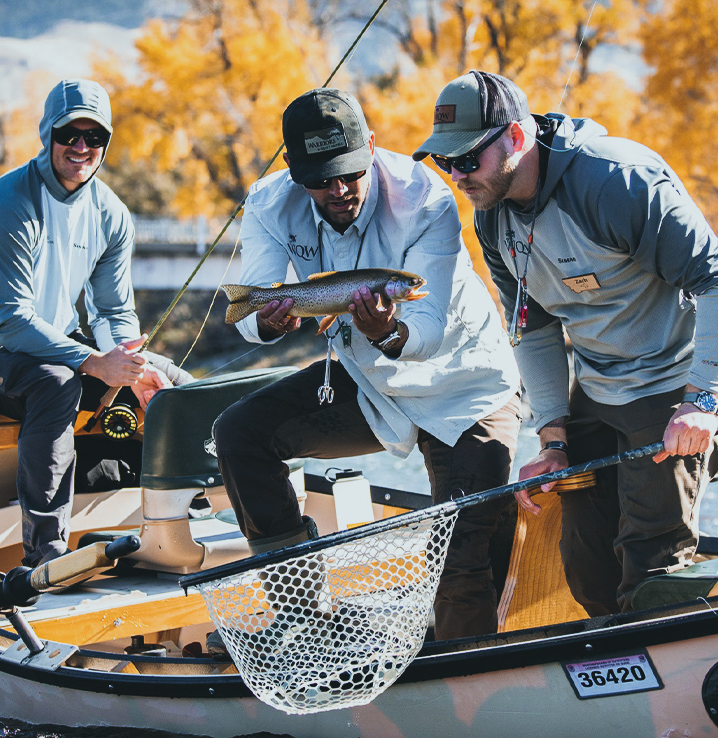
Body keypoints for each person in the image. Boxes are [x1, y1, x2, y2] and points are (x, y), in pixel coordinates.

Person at [414, 71, 718, 615]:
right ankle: (610, 673)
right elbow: (533, 327)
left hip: (679, 374)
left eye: (468, 158)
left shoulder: (615, 180)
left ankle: (660, 673)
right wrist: (552, 437)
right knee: (586, 563)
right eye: (444, 161)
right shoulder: (490, 216)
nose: (457, 174)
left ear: (517, 138)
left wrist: (704, 402)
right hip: (599, 382)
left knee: (650, 559)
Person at [213, 88, 521, 640]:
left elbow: (426, 331)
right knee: (240, 434)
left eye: (351, 173)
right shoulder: (267, 202)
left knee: (458, 556)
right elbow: (247, 314)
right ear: (292, 169)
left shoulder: (425, 196)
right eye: (321, 178)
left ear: (373, 149)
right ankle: (303, 619)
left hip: (463, 385)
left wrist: (388, 330)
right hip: (366, 380)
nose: (338, 190)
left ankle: (464, 687)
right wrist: (270, 323)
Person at [0, 78, 192, 568]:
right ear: (46, 134)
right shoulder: (6, 205)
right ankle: (46, 552)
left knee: (172, 378)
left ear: (106, 143)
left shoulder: (111, 215)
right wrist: (96, 364)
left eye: (93, 137)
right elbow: (11, 324)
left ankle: (202, 513)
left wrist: (130, 368)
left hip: (53, 346)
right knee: (57, 384)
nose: (81, 148)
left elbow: (113, 311)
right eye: (68, 135)